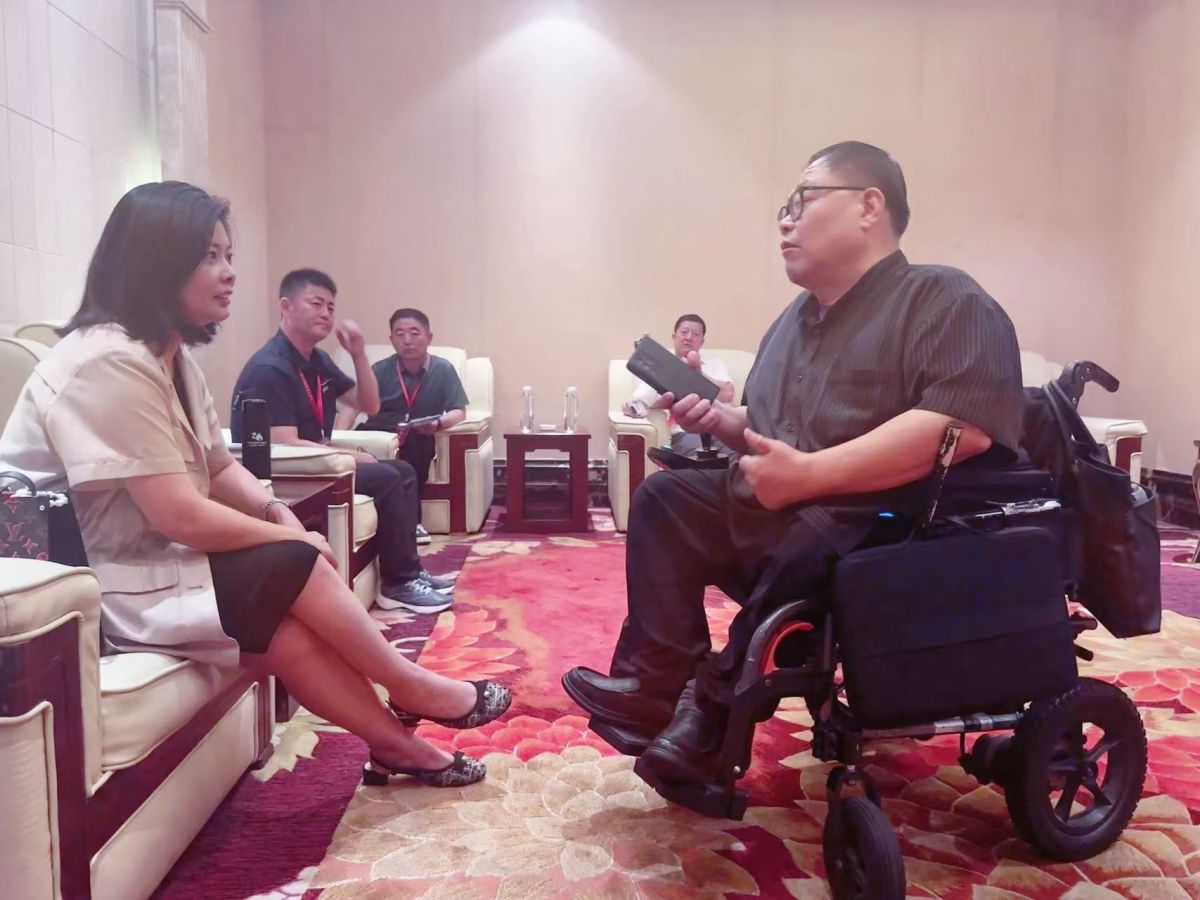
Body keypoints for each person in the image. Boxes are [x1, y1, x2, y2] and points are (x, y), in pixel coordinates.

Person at [0, 182, 510, 788]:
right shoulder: (106, 359)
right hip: (74, 585)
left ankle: (397, 746)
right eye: (208, 256)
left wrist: (274, 509)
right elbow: (178, 515)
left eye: (229, 255)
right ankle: (411, 686)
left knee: (285, 630)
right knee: (294, 562)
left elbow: (218, 466)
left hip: (142, 554)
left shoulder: (170, 356)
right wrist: (289, 540)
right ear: (154, 261)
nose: (229, 272)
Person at [563, 141, 1025, 788]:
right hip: (783, 512)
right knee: (666, 499)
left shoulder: (945, 299)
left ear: (869, 206)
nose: (785, 221)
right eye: (785, 208)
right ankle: (655, 682)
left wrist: (811, 476)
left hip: (886, 530)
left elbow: (963, 426)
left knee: (821, 528)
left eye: (802, 201)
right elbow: (770, 426)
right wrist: (719, 420)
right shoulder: (790, 323)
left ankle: (711, 716)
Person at [230, 270, 455, 612]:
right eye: (316, 303)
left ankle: (407, 572)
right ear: (286, 307)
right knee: (387, 477)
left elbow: (369, 405)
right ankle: (399, 583)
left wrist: (359, 354)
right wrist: (345, 455)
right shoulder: (270, 367)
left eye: (331, 307)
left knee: (404, 470)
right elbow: (283, 443)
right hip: (290, 472)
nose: (325, 313)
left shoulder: (316, 359)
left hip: (318, 461)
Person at [351, 308, 468, 502]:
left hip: (419, 433)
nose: (407, 340)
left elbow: (459, 411)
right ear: (391, 340)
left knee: (418, 444)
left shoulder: (443, 369)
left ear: (429, 338)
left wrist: (439, 423)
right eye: (399, 334)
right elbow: (353, 406)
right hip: (379, 431)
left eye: (414, 333)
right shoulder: (379, 369)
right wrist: (338, 437)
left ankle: (411, 516)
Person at [623, 314, 734, 456]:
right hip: (687, 433)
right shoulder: (662, 369)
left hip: (720, 428)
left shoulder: (715, 365)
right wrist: (659, 404)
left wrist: (697, 375)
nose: (689, 337)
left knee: (736, 458)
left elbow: (728, 393)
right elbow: (633, 404)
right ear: (674, 337)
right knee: (697, 460)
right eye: (684, 332)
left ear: (702, 342)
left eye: (695, 334)